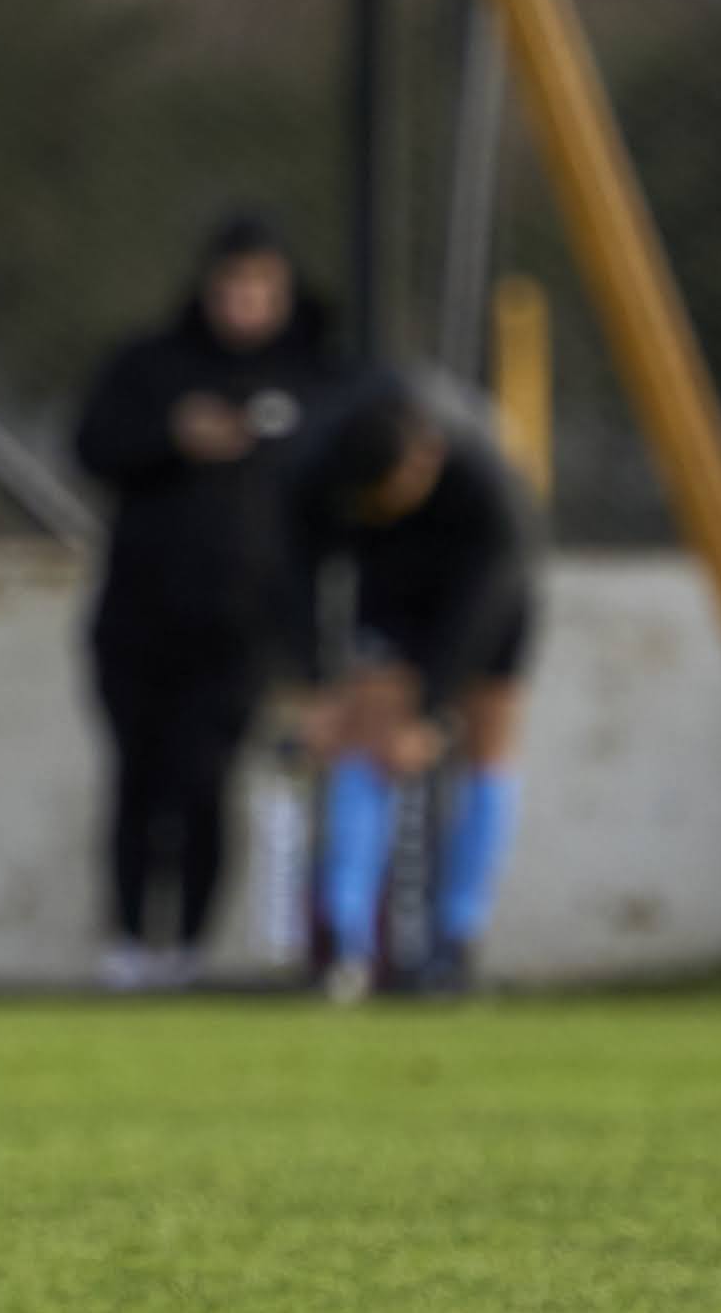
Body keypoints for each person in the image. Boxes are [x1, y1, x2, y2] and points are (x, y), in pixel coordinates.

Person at [71, 214, 339, 990]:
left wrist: (308, 648)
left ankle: (185, 943)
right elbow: (90, 445)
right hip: (137, 619)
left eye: (260, 287)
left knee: (202, 781)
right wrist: (169, 437)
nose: (243, 303)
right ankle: (127, 941)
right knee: (135, 779)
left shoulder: (313, 378)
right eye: (230, 285)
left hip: (240, 631)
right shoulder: (150, 366)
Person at [285, 375, 537, 999]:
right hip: (396, 590)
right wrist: (315, 686)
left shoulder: (488, 486)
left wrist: (429, 715)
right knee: (367, 735)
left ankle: (457, 937)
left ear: (424, 460)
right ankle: (347, 942)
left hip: (490, 597)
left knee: (488, 738)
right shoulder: (325, 463)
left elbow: (490, 597)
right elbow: (291, 572)